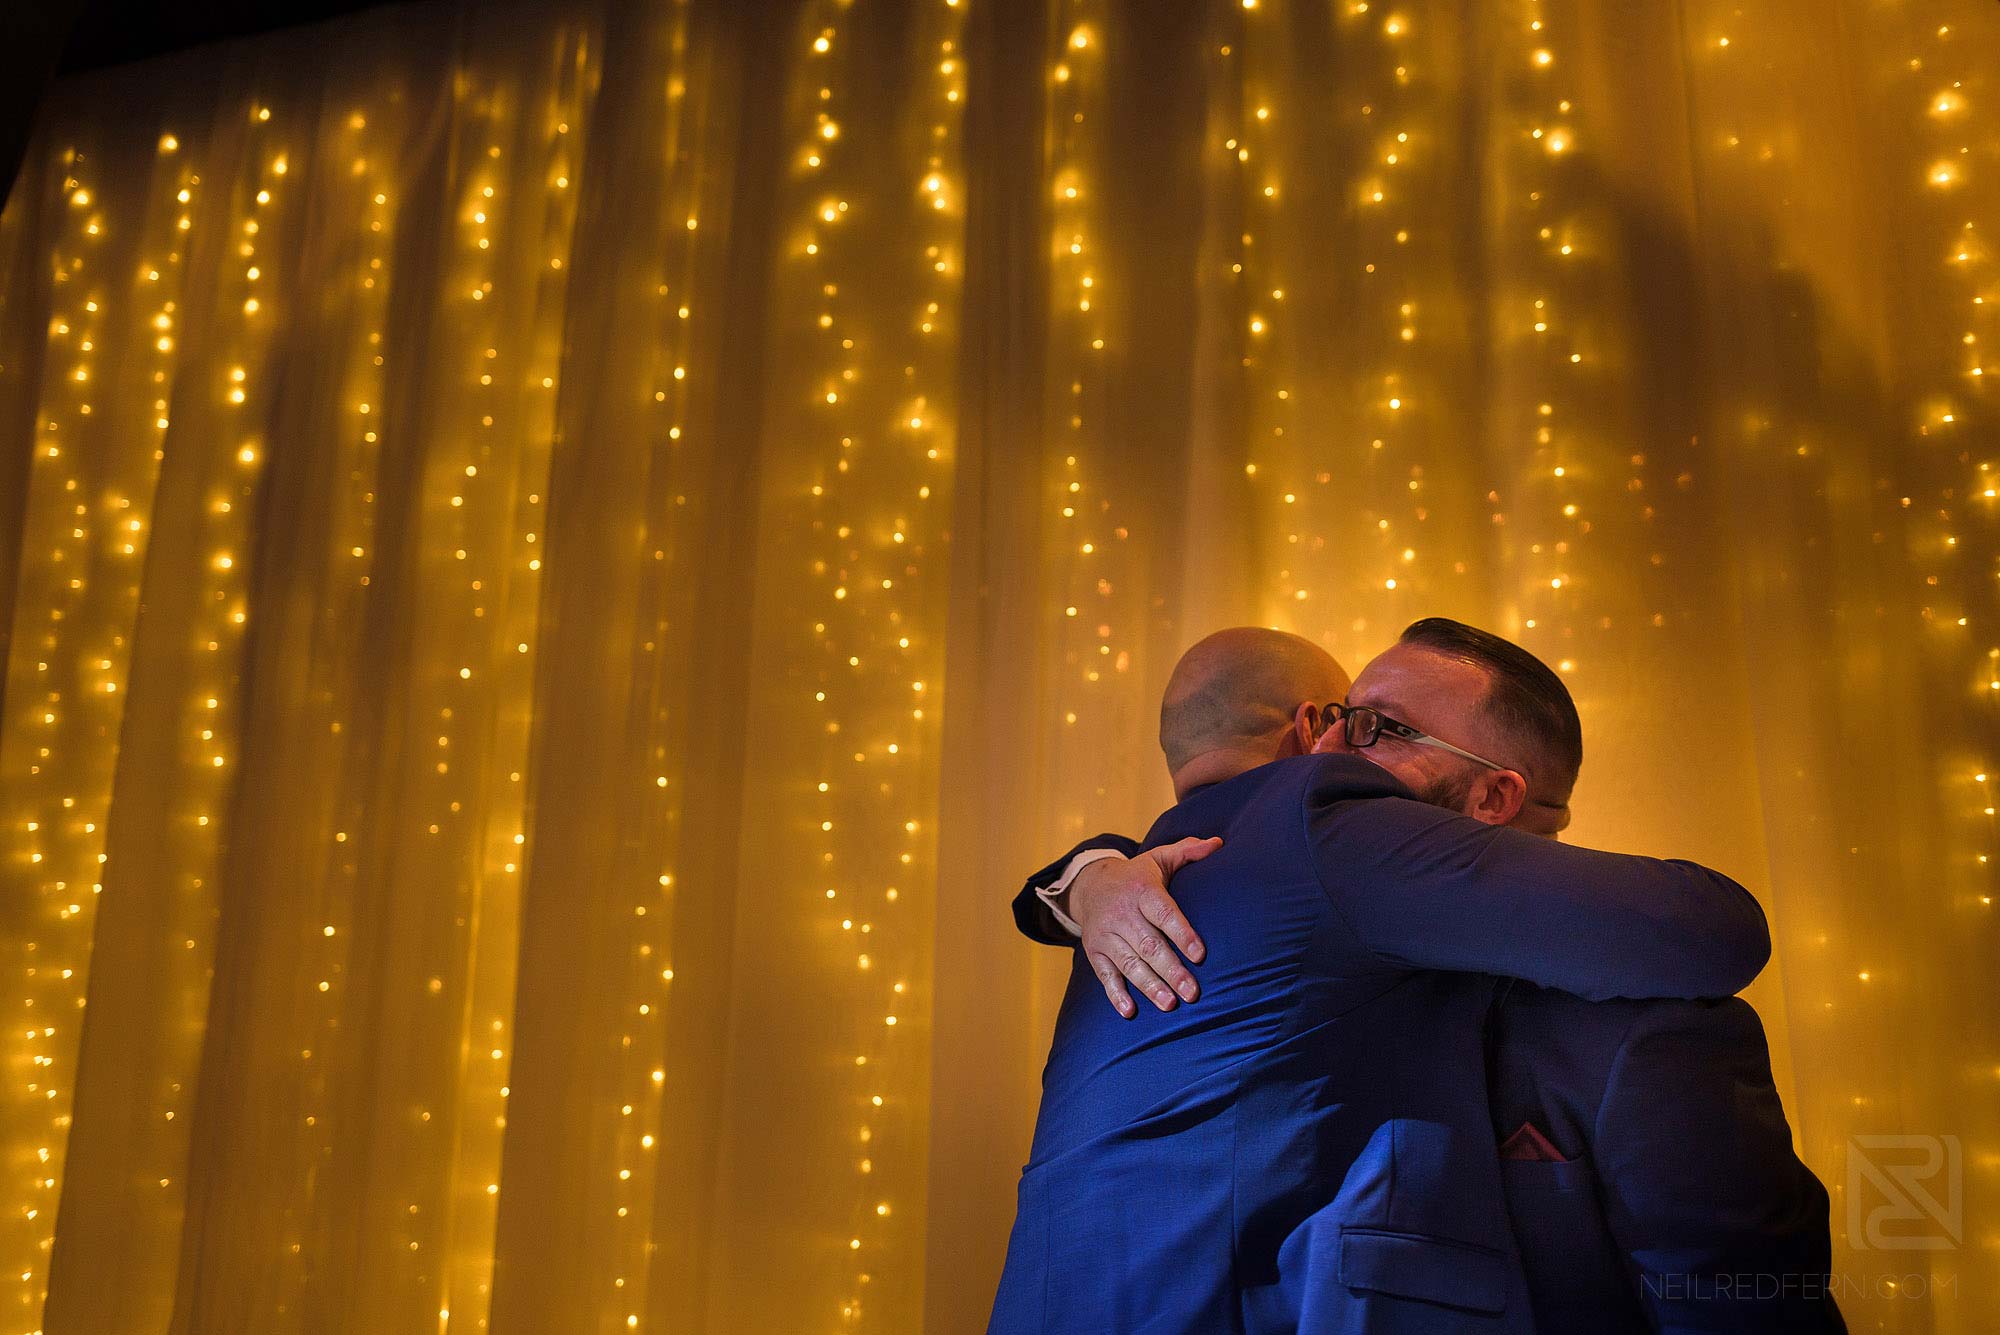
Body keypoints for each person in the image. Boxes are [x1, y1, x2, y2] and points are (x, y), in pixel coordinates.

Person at [1013, 618, 1842, 1333]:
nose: (1327, 749)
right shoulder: (1210, 877)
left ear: (1494, 798)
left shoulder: (1641, 1026)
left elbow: (1741, 1295)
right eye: (1338, 719)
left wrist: (1083, 875)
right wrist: (1087, 875)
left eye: (1377, 727)